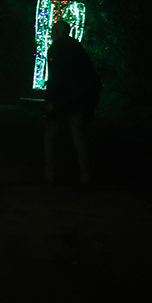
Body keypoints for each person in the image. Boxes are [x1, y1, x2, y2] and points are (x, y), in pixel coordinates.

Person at [44, 20, 98, 185]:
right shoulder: (78, 48)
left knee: (50, 137)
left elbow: (56, 77)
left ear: (58, 32)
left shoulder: (56, 48)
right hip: (78, 101)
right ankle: (85, 175)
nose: (51, 34)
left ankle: (51, 175)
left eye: (53, 31)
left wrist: (51, 101)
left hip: (61, 102)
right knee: (79, 139)